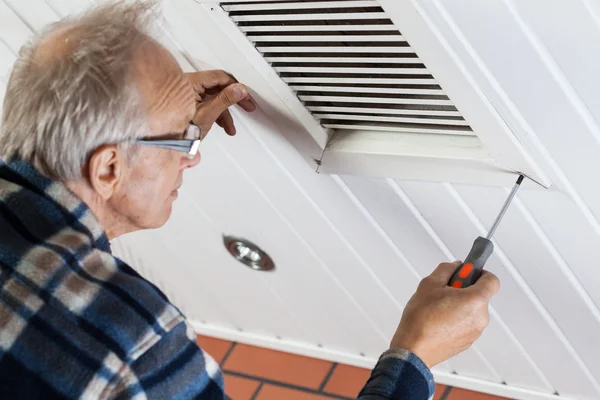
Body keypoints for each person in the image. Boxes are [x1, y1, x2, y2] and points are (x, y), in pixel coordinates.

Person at [0, 2, 500, 399]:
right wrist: (413, 357)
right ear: (108, 167)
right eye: (182, 141)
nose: (192, 158)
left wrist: (164, 122)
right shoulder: (131, 342)